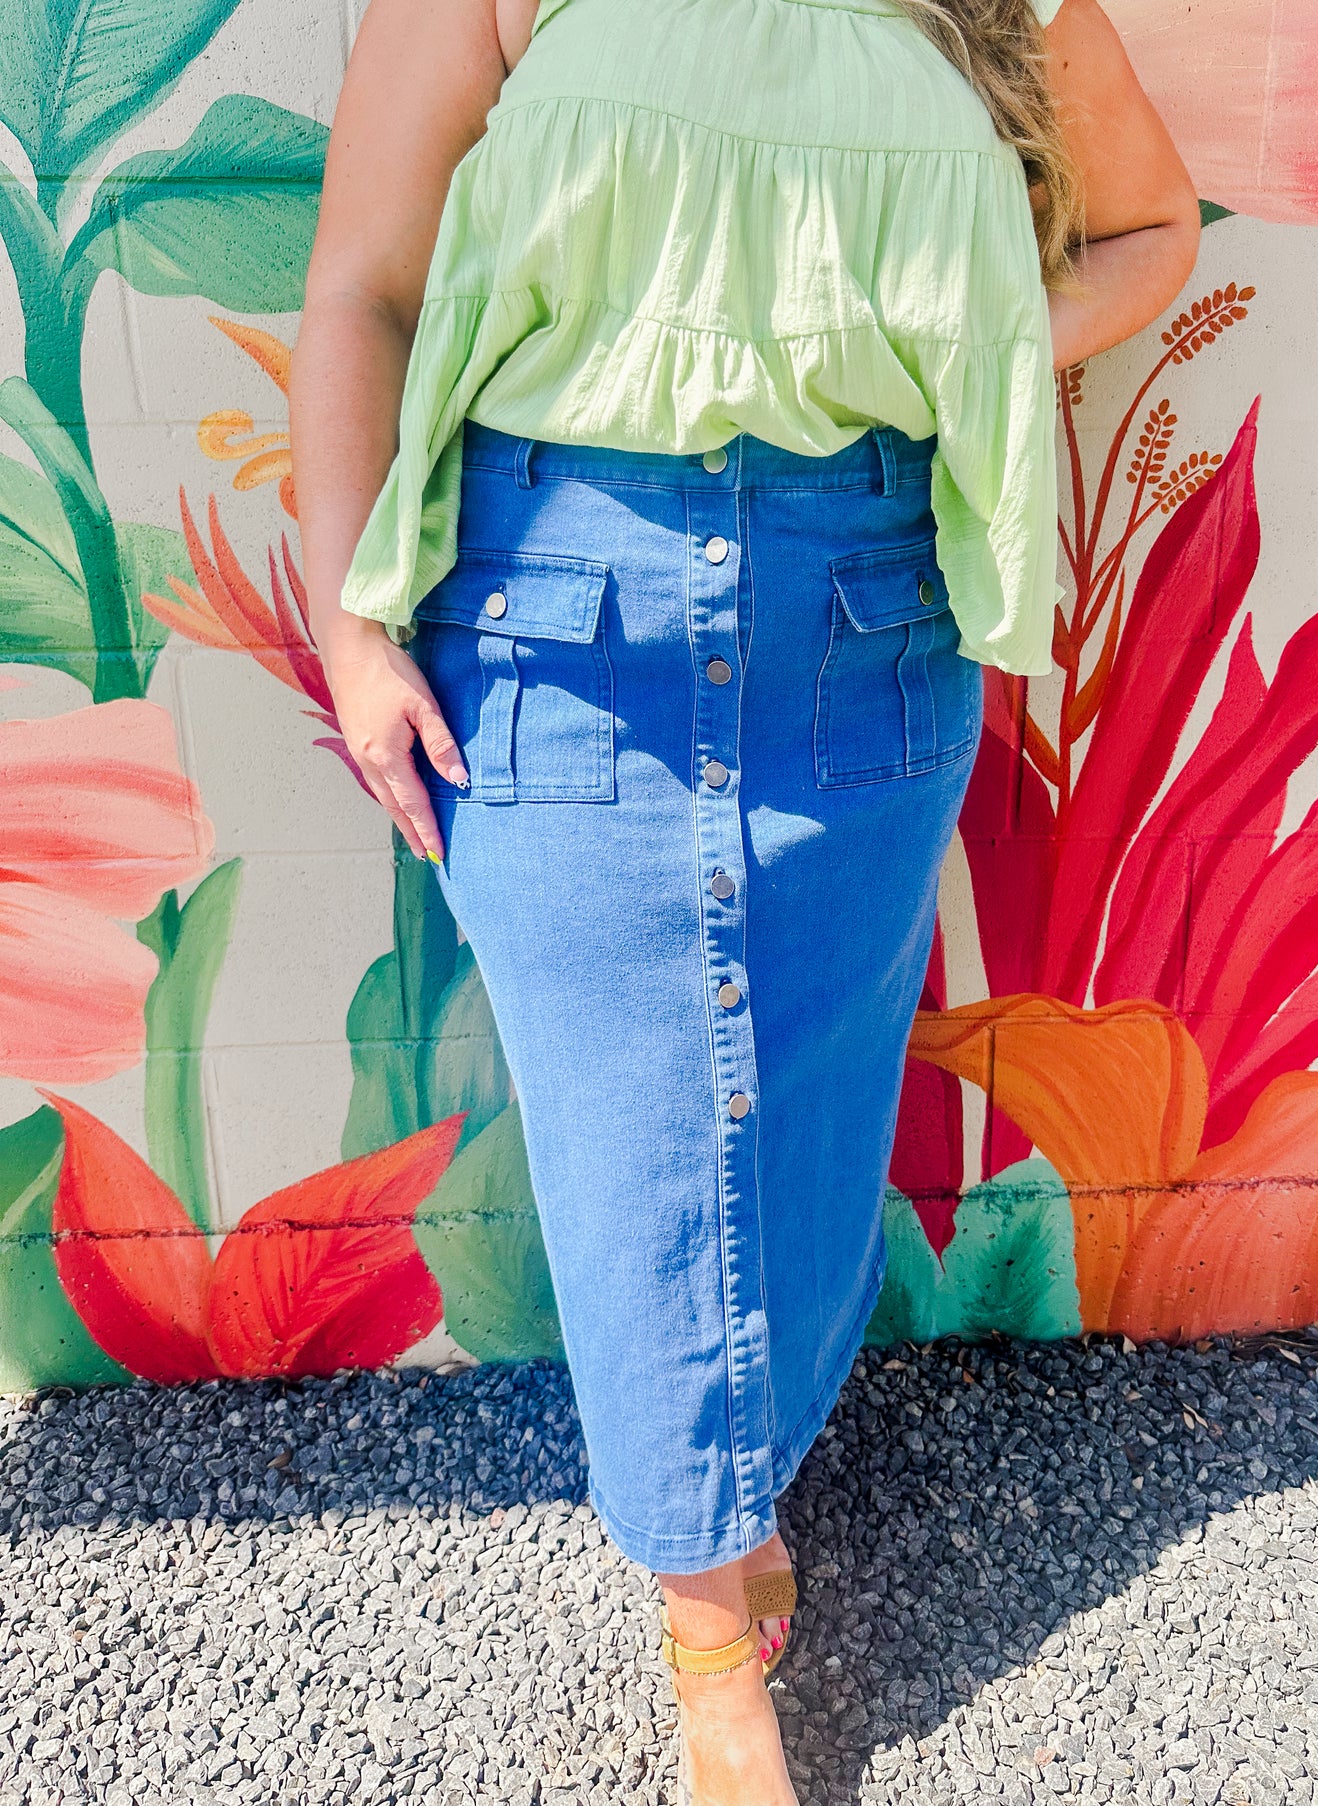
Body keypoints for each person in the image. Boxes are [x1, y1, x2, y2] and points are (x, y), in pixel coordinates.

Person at [291, 0, 1198, 1797]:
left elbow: (1150, 232)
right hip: (555, 610)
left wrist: (971, 333)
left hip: (859, 609)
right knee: (640, 1139)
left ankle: (725, 1474)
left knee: (799, 1110)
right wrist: (345, 617)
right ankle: (709, 1628)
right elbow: (364, 292)